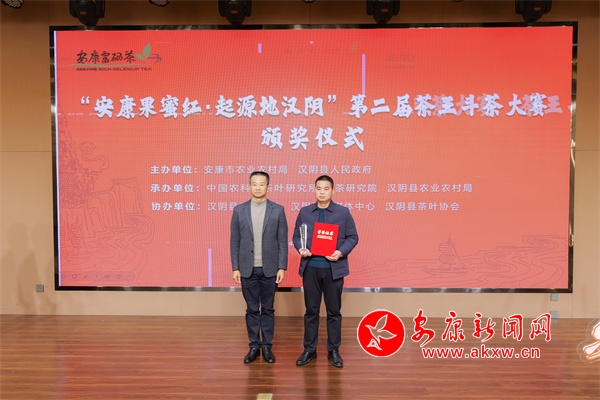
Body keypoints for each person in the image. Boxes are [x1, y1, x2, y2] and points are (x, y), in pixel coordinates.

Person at [293, 175, 359, 368]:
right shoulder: (305, 212)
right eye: (318, 188)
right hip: (311, 268)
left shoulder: (343, 213)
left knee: (334, 312)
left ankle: (334, 350)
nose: (322, 192)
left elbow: (353, 237)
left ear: (333, 191)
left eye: (326, 188)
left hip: (333, 270)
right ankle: (309, 350)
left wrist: (340, 252)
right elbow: (296, 236)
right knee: (311, 311)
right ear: (314, 190)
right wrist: (301, 248)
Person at [230, 171, 288, 364]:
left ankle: (267, 347)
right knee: (252, 309)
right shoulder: (239, 210)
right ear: (249, 186)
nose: (257, 187)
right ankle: (254, 345)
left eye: (261, 184)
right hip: (247, 269)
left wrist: (282, 267)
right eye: (254, 184)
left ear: (268, 187)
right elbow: (235, 241)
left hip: (270, 269)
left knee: (268, 309)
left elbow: (282, 242)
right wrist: (236, 267)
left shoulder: (277, 210)